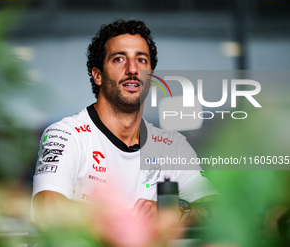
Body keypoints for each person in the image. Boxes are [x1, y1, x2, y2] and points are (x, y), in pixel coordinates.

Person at [32, 19, 217, 228]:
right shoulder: (66, 134)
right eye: (119, 59)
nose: (132, 69)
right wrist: (130, 220)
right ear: (98, 75)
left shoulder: (172, 146)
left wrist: (180, 210)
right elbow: (47, 208)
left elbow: (218, 209)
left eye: (141, 60)